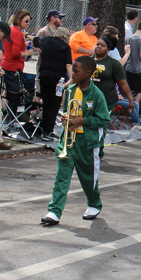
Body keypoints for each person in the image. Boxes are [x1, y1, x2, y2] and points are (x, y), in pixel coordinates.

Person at [42, 56, 110, 226]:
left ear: (88, 73)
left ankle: (94, 203)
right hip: (68, 141)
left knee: (88, 179)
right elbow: (66, 111)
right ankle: (54, 211)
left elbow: (103, 120)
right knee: (62, 177)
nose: (73, 74)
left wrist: (83, 120)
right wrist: (66, 119)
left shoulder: (97, 94)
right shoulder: (70, 90)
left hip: (87, 143)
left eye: (76, 71)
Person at [90, 36, 141, 132]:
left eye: (102, 45)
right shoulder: (88, 61)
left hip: (106, 100)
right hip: (89, 99)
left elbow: (122, 83)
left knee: (99, 127)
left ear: (108, 49)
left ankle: (98, 145)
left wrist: (130, 99)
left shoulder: (113, 64)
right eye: (97, 44)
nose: (98, 47)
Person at [32, 26, 73, 142]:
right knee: (54, 104)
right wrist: (71, 78)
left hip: (44, 75)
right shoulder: (65, 47)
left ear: (55, 33)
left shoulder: (46, 40)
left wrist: (38, 48)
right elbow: (68, 64)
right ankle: (48, 130)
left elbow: (35, 40)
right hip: (58, 79)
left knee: (46, 102)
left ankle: (44, 129)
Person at [0, 9, 33, 113]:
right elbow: (15, 53)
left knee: (6, 92)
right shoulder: (17, 33)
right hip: (13, 68)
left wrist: (24, 44)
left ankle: (4, 117)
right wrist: (28, 53)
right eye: (26, 21)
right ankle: (10, 117)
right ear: (19, 20)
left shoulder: (11, 30)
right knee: (15, 95)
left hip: (6, 64)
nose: (28, 23)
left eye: (29, 21)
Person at [123, 20, 141, 113]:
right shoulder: (140, 39)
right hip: (138, 69)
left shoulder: (129, 38)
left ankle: (127, 106)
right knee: (140, 90)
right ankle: (135, 108)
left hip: (129, 67)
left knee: (130, 89)